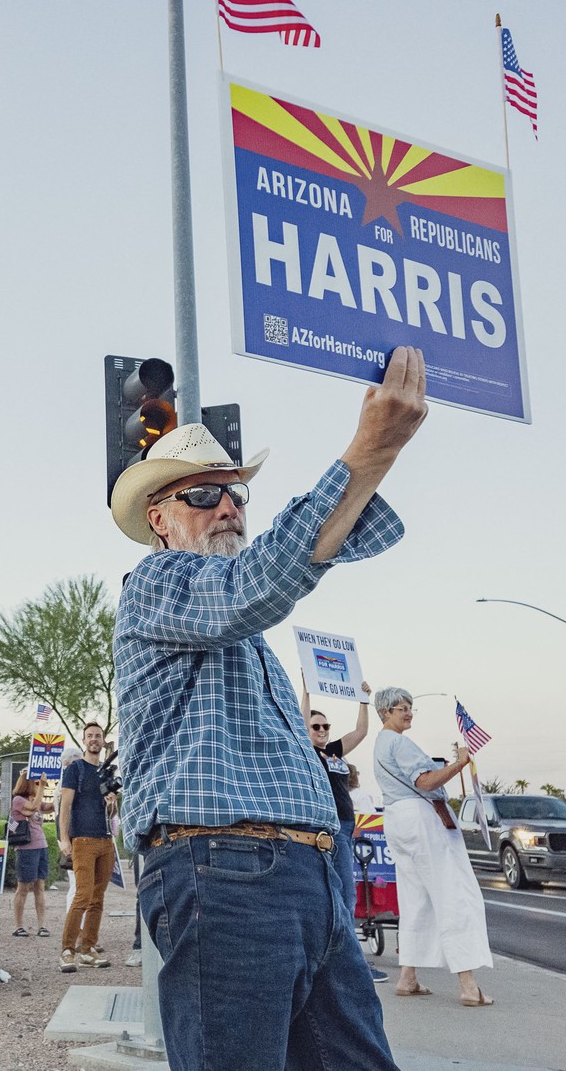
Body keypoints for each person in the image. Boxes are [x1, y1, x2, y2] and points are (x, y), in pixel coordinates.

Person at [112, 347, 427, 1071]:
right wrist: (368, 448)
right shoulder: (157, 582)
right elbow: (262, 579)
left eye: (235, 494)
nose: (226, 505)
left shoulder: (248, 630)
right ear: (159, 517)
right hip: (223, 873)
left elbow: (273, 577)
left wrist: (379, 455)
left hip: (308, 877)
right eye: (201, 494)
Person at [371, 686, 494, 1007]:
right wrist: (459, 765)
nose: (408, 712)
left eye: (410, 707)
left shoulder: (381, 745)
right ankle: (468, 985)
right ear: (385, 712)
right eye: (401, 708)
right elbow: (424, 781)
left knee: (416, 898)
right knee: (452, 893)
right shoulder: (399, 742)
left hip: (397, 819)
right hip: (421, 817)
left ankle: (407, 976)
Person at [306, 687, 387, 984]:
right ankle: (351, 966)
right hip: (328, 828)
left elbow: (361, 731)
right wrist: (306, 688)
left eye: (326, 726)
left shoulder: (335, 753)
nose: (322, 730)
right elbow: (302, 719)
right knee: (343, 894)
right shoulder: (307, 752)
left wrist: (363, 699)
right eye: (316, 726)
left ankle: (341, 962)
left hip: (344, 826)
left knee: (343, 893)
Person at [57, 721, 115, 971]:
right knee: (82, 895)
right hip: (83, 840)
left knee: (97, 898)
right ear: (84, 741)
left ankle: (88, 948)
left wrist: (112, 802)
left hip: (105, 840)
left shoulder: (107, 771)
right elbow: (65, 806)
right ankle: (67, 950)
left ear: (103, 741)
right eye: (90, 736)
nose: (94, 739)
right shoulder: (75, 769)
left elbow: (112, 812)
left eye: (98, 736)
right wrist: (64, 838)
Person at [9, 772, 52, 937]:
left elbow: (47, 807)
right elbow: (33, 808)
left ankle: (42, 925)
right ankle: (18, 926)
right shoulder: (18, 801)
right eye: (35, 783)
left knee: (40, 887)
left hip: (42, 847)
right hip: (27, 848)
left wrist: (61, 794)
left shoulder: (35, 800)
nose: (38, 785)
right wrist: (41, 786)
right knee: (23, 888)